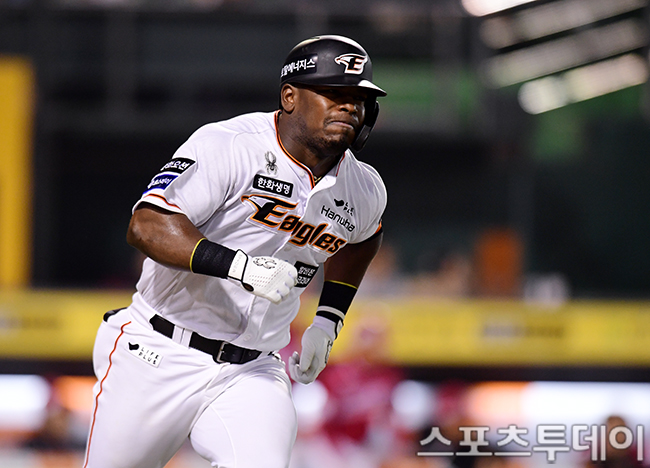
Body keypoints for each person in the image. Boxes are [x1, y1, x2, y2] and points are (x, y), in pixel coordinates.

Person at [82, 34, 387, 468]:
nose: (349, 106)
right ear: (290, 97)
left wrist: (328, 319)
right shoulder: (230, 144)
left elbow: (363, 240)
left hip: (253, 369)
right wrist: (239, 267)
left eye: (358, 98)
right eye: (333, 93)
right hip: (159, 350)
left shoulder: (364, 188)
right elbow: (147, 226)